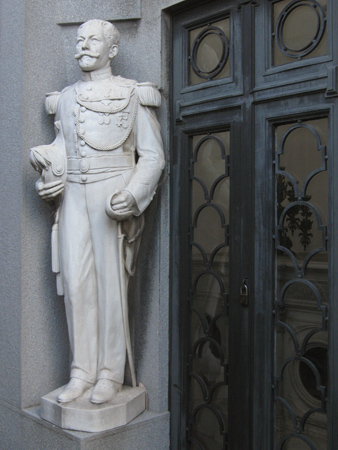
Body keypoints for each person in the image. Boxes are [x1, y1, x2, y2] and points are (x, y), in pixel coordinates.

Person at [30, 19, 165, 404]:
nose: (83, 46)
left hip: (112, 194)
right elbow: (62, 145)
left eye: (93, 40)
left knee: (110, 285)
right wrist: (49, 173)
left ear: (113, 49)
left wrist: (134, 194)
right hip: (72, 197)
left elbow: (153, 156)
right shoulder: (67, 97)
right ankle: (81, 371)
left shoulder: (133, 94)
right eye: (79, 39)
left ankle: (109, 372)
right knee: (75, 284)